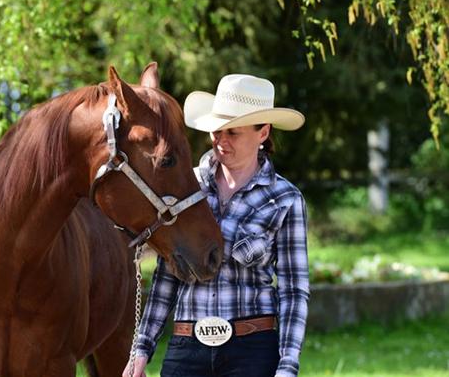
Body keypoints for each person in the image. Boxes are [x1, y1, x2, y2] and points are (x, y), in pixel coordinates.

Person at [123, 74, 309, 377]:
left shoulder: (285, 199)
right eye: (216, 131)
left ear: (263, 132)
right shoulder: (187, 185)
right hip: (186, 346)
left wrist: (287, 364)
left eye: (232, 133)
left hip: (252, 350)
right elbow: (166, 275)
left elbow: (294, 291)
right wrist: (141, 348)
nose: (221, 141)